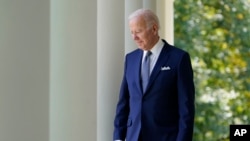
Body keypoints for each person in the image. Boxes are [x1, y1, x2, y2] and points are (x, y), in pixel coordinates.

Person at [113, 9, 195, 141]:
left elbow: (186, 109)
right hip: (133, 136)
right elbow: (124, 102)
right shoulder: (130, 59)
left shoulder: (178, 59)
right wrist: (118, 137)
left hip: (166, 137)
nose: (134, 37)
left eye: (138, 31)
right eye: (132, 32)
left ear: (154, 29)